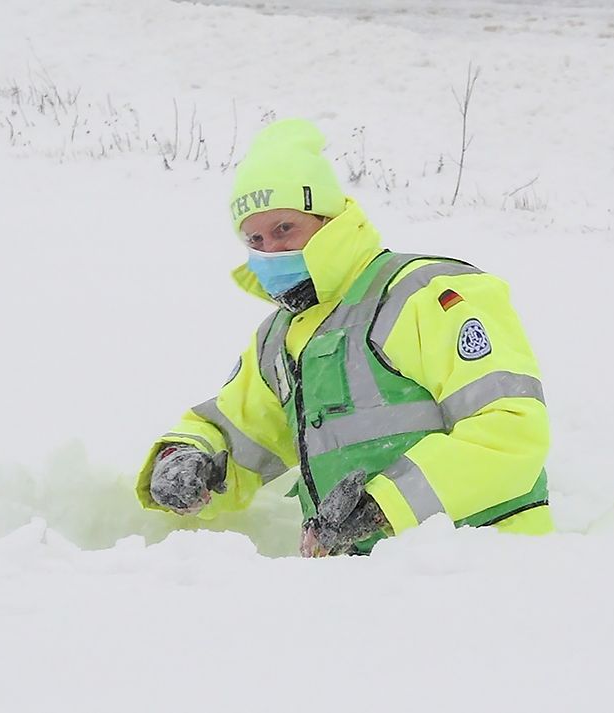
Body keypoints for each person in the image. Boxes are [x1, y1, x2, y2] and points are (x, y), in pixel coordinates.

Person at [135, 118, 552, 556]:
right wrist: (184, 456)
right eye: (255, 238)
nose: (270, 250)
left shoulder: (425, 294)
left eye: (284, 229)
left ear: (328, 219)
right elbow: (238, 429)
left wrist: (381, 507)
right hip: (371, 592)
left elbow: (511, 432)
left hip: (488, 569)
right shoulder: (279, 340)